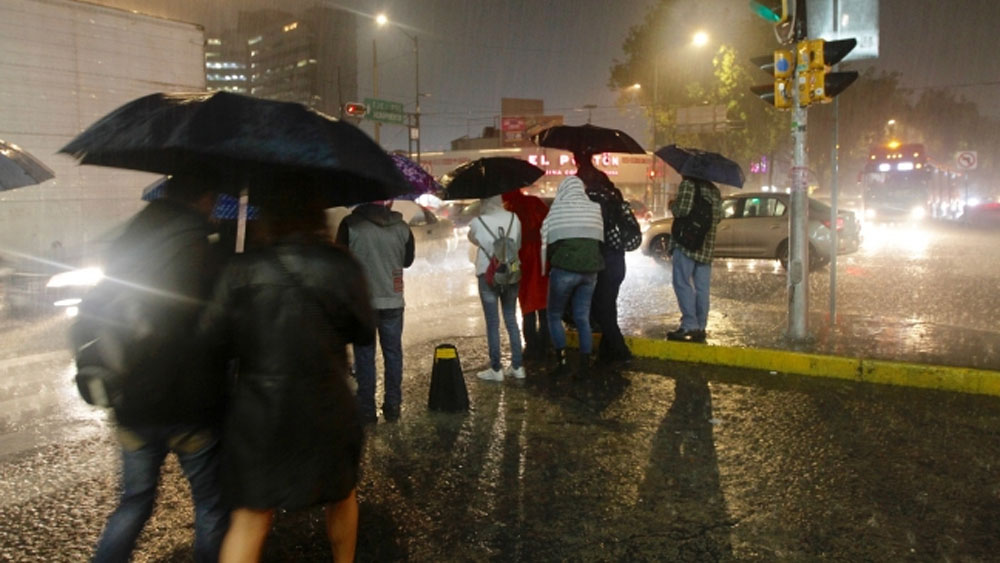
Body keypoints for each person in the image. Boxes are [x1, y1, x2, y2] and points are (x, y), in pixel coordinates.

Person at [199, 185, 374, 562]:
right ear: (317, 215)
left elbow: (212, 338)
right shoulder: (341, 265)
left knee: (250, 516)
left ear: (269, 218)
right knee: (341, 496)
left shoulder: (243, 268)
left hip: (259, 412)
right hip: (327, 405)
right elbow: (363, 331)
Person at [80, 175, 229, 563]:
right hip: (190, 406)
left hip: (131, 402)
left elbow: (94, 311)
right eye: (212, 199)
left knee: (135, 500)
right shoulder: (202, 245)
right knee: (211, 505)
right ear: (203, 198)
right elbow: (217, 325)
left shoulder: (129, 240)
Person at [335, 200, 415, 424]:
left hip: (363, 302)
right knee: (393, 354)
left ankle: (366, 410)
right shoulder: (402, 227)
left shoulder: (350, 225)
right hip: (393, 300)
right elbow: (407, 261)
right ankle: (393, 407)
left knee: (364, 357)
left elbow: (339, 262)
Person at [540, 175, 605, 377]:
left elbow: (547, 239)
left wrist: (548, 264)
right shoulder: (595, 208)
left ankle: (563, 363)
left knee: (554, 315)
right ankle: (584, 366)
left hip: (564, 270)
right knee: (582, 317)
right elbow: (598, 239)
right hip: (591, 272)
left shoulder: (557, 209)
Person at [575, 151, 634, 365]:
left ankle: (621, 351)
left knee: (602, 308)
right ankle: (607, 352)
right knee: (608, 305)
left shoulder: (593, 201)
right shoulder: (614, 197)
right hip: (618, 260)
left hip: (603, 261)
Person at [468, 194, 524, 381]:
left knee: (493, 322)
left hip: (488, 274)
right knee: (511, 318)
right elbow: (518, 243)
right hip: (511, 273)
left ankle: (496, 369)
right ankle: (517, 366)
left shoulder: (478, 221)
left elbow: (473, 239)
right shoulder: (514, 218)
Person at [667, 175, 723, 343]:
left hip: (687, 243)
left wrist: (672, 204)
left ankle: (689, 324)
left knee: (682, 282)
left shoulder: (688, 184)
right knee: (702, 289)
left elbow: (681, 210)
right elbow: (719, 217)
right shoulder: (714, 190)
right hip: (706, 246)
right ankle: (701, 326)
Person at [501, 188, 550, 362]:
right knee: (544, 303)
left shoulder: (509, 210)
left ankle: (532, 346)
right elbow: (548, 225)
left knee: (527, 304)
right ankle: (547, 343)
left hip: (522, 259)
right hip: (542, 257)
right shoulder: (535, 203)